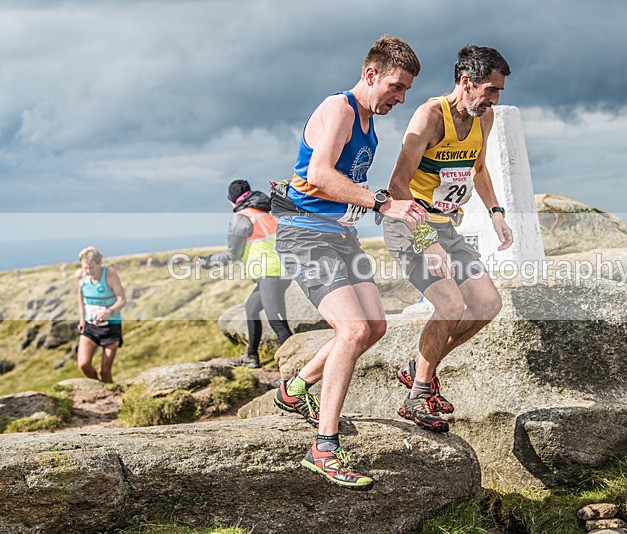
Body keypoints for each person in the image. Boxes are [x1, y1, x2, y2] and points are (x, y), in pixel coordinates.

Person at [272, 36, 428, 491]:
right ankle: (324, 446)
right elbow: (318, 175)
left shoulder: (367, 121)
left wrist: (414, 213)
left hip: (340, 236)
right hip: (305, 236)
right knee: (354, 330)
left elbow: (340, 183)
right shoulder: (339, 108)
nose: (400, 98)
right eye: (396, 87)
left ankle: (294, 389)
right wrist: (381, 204)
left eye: (406, 92)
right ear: (371, 73)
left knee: (375, 327)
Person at [383, 45, 513, 433]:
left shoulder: (483, 119)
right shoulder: (429, 117)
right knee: (451, 305)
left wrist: (496, 214)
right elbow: (396, 185)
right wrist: (429, 239)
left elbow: (478, 170)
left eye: (498, 92)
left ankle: (419, 367)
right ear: (466, 82)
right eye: (489, 90)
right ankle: (418, 395)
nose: (493, 99)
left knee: (487, 304)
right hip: (409, 224)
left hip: (445, 227)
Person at [196, 179, 292, 368]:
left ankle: (292, 375)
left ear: (231, 200)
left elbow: (233, 255)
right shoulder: (266, 211)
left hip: (270, 274)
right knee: (251, 309)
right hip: (281, 271)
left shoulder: (242, 218)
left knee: (280, 327)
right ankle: (251, 356)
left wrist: (206, 262)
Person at [76, 246, 126, 383]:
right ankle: (99, 388)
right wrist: (82, 319)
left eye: (91, 268)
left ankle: (110, 397)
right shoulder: (80, 275)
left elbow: (122, 300)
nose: (88, 271)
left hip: (111, 325)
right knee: (83, 365)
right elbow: (80, 296)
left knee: (105, 371)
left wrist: (109, 312)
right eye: (85, 267)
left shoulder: (110, 274)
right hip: (90, 325)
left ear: (99, 264)